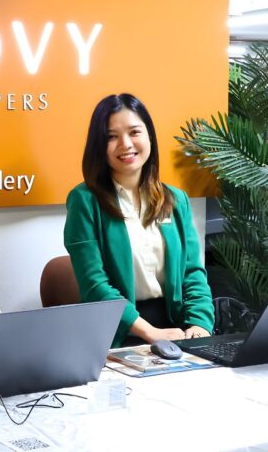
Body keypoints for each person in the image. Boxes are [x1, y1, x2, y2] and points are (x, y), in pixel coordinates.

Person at [63, 93, 214, 347]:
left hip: (176, 327)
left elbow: (192, 273)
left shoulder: (175, 200)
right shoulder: (84, 201)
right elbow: (94, 285)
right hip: (120, 334)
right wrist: (150, 332)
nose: (125, 144)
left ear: (149, 136)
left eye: (134, 132)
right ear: (99, 145)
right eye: (111, 137)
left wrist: (199, 325)